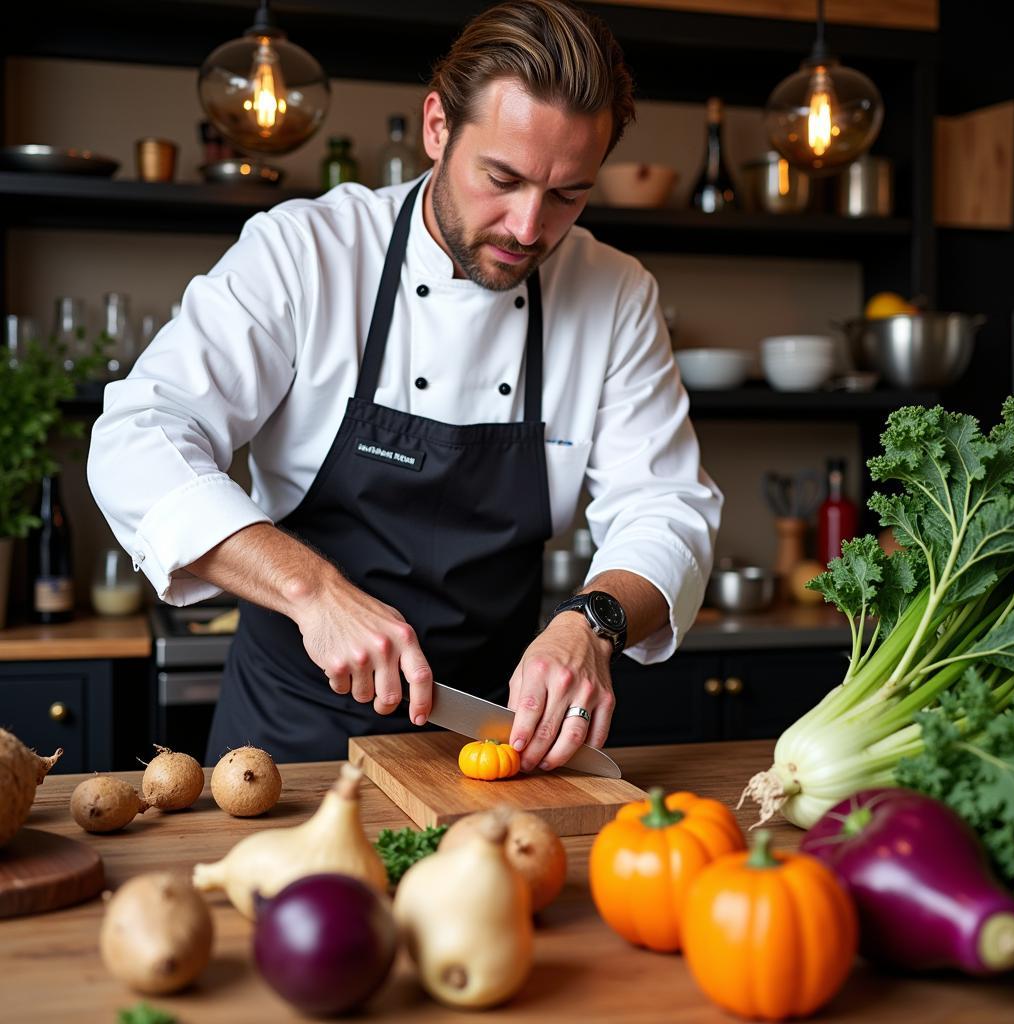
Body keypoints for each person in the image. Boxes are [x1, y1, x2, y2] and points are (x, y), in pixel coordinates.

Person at [88, 0, 722, 769]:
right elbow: (139, 435)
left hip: (496, 735)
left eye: (567, 194)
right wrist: (311, 590)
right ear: (436, 128)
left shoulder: (616, 293)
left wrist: (591, 623)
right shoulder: (307, 251)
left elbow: (667, 504)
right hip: (292, 741)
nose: (528, 228)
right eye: (503, 178)